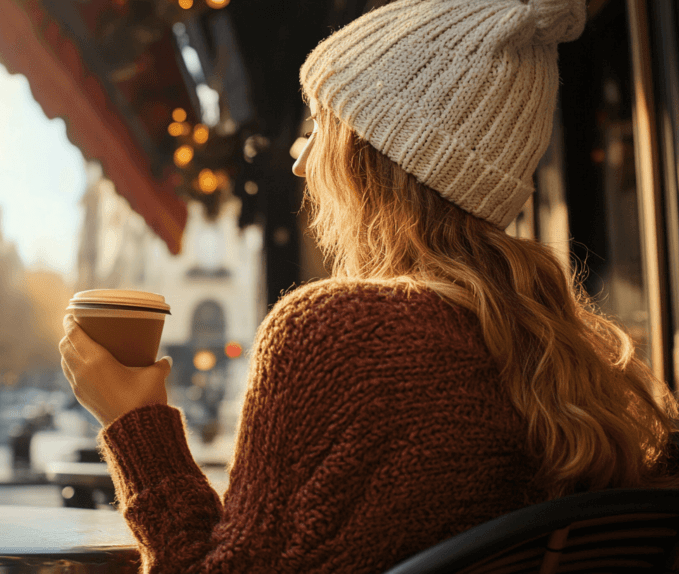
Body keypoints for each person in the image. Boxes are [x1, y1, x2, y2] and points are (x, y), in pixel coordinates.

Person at [58, 0, 679, 572]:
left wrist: (133, 418)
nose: (300, 159)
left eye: (320, 126)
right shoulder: (567, 357)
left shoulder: (338, 333)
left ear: (371, 156)